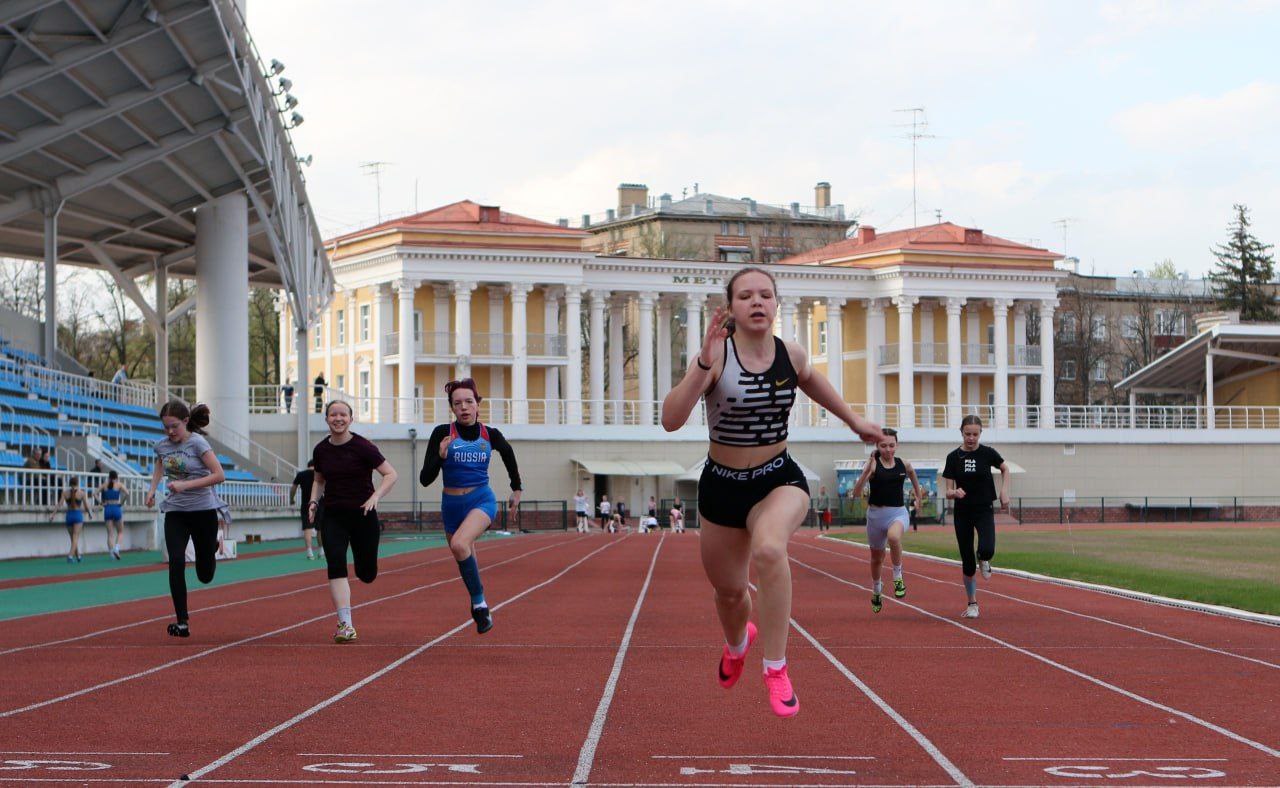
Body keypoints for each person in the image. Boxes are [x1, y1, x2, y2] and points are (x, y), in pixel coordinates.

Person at [660, 266, 882, 718]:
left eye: (765, 295)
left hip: (777, 478)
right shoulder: (717, 357)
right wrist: (702, 362)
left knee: (768, 549)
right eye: (746, 296)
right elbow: (671, 418)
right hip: (722, 487)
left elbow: (812, 380)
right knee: (729, 594)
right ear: (731, 309)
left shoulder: (791, 354)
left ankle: (776, 668)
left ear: (777, 304)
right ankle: (738, 643)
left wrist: (854, 421)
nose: (757, 302)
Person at [419, 379, 522, 635]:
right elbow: (425, 479)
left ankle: (479, 605)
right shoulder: (442, 433)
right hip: (452, 505)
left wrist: (516, 488)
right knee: (464, 553)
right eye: (457, 403)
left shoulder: (490, 434)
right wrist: (440, 457)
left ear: (478, 404)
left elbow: (509, 455)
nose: (463, 407)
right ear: (452, 408)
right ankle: (480, 600)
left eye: (468, 401)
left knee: (459, 545)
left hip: (481, 500)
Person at [309, 400, 398, 643]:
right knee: (335, 565)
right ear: (326, 419)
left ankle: (366, 569)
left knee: (366, 573)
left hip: (363, 515)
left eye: (343, 415)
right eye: (333, 415)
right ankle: (345, 625)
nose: (338, 419)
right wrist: (313, 503)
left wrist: (375, 496)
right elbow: (318, 480)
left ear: (351, 418)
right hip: (334, 516)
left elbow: (391, 474)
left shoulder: (363, 447)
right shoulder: (321, 450)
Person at [146, 401, 227, 637]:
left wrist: (185, 485)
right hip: (176, 512)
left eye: (174, 427)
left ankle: (210, 548)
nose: (170, 432)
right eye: (166, 428)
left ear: (185, 422)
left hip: (203, 512)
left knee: (204, 575)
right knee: (176, 560)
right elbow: (160, 464)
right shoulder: (162, 446)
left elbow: (219, 475)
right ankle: (182, 621)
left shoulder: (198, 443)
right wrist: (152, 490)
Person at [942, 415, 1011, 620]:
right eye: (967, 434)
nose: (971, 438)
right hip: (962, 511)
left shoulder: (987, 453)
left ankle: (985, 560)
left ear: (981, 433)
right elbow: (947, 490)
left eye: (975, 434)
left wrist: (1004, 491)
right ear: (961, 433)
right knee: (967, 562)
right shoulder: (953, 457)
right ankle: (972, 603)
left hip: (983, 508)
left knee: (987, 549)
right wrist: (955, 493)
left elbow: (1005, 469)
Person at [850, 429, 923, 613]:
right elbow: (856, 493)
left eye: (891, 445)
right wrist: (867, 471)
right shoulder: (873, 466)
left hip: (897, 513)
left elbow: (913, 474)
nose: (888, 450)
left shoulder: (903, 464)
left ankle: (897, 576)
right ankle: (876, 590)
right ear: (877, 446)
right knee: (876, 559)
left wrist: (918, 496)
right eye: (883, 446)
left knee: (894, 537)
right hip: (875, 516)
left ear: (896, 445)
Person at [52, 476, 92, 563]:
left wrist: (53, 514)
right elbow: (86, 506)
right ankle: (70, 556)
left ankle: (78, 556)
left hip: (69, 515)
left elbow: (59, 504)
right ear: (78, 483)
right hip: (77, 515)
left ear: (69, 483)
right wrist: (90, 513)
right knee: (75, 537)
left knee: (73, 538)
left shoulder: (65, 493)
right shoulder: (82, 493)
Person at [291, 460, 320, 559]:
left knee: (308, 528)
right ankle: (322, 551)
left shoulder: (301, 474)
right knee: (320, 528)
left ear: (308, 466)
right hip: (320, 503)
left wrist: (291, 499)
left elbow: (293, 488)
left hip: (306, 505)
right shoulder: (321, 473)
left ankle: (310, 552)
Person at [98, 470, 126, 560]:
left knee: (110, 534)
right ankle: (117, 549)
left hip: (107, 508)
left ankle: (111, 554)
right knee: (120, 532)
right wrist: (121, 502)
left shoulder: (104, 485)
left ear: (109, 477)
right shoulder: (119, 485)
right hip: (116, 508)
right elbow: (127, 493)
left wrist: (101, 503)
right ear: (116, 477)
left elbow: (95, 493)